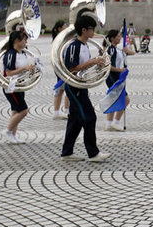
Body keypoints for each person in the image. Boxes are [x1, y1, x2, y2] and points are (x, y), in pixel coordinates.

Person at [60, 15, 111, 162]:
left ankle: (67, 152)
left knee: (75, 120)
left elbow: (84, 66)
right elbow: (72, 68)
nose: (93, 32)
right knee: (89, 117)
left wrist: (97, 61)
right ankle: (93, 153)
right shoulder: (74, 46)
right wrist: (92, 61)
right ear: (84, 30)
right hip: (74, 86)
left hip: (80, 85)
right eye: (91, 29)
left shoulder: (84, 46)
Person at [1, 30, 36, 144]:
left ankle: (13, 136)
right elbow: (9, 72)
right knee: (23, 110)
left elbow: (23, 69)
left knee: (15, 111)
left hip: (19, 85)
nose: (26, 42)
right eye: (24, 39)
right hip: (11, 86)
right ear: (16, 41)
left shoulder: (23, 53)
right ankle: (8, 130)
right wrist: (24, 68)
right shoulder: (11, 53)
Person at [104, 29, 134, 131]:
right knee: (125, 99)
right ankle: (115, 122)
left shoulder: (118, 49)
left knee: (113, 99)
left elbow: (132, 53)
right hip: (112, 77)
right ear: (112, 38)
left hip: (118, 76)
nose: (120, 37)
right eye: (117, 36)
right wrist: (120, 70)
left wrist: (127, 50)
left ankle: (109, 123)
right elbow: (108, 66)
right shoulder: (111, 49)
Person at [51, 20, 69, 120]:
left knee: (67, 89)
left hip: (65, 67)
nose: (66, 27)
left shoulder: (65, 39)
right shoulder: (58, 40)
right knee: (60, 89)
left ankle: (67, 110)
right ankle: (56, 112)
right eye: (64, 26)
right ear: (59, 29)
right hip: (61, 68)